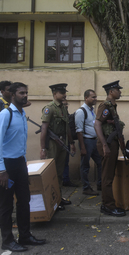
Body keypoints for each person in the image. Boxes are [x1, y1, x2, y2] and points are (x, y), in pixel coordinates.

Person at [0, 82, 46, 252]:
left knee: (25, 201)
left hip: (20, 164)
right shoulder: (6, 114)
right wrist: (2, 170)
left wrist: (24, 166)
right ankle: (7, 241)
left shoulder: (22, 114)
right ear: (12, 95)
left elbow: (20, 144)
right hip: (7, 166)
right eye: (21, 93)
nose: (25, 96)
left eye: (26, 93)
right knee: (6, 205)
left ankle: (25, 235)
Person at [40, 83, 76, 211]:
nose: (65, 94)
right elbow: (44, 129)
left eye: (64, 92)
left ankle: (58, 198)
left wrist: (71, 143)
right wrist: (43, 148)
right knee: (51, 173)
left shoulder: (63, 108)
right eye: (62, 93)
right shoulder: (49, 108)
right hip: (52, 144)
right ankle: (51, 199)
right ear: (55, 94)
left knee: (59, 172)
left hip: (63, 142)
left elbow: (67, 127)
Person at [94, 81, 126, 217]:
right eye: (118, 90)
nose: (120, 92)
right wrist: (105, 145)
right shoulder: (105, 106)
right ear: (111, 92)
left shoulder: (112, 107)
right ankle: (108, 206)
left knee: (110, 175)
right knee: (107, 176)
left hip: (112, 143)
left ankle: (108, 203)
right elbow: (97, 124)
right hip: (107, 143)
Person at [76, 89, 102, 195]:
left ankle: (100, 184)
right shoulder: (81, 111)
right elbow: (79, 130)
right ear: (86, 98)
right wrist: (82, 147)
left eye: (95, 97)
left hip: (94, 142)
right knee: (85, 165)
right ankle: (86, 188)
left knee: (101, 162)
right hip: (86, 142)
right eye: (93, 97)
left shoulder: (91, 110)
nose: (95, 99)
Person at [61, 99, 77, 188]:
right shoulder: (53, 111)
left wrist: (71, 142)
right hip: (56, 142)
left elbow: (68, 130)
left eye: (67, 104)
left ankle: (65, 180)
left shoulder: (66, 114)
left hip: (65, 141)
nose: (66, 105)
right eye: (64, 104)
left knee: (65, 161)